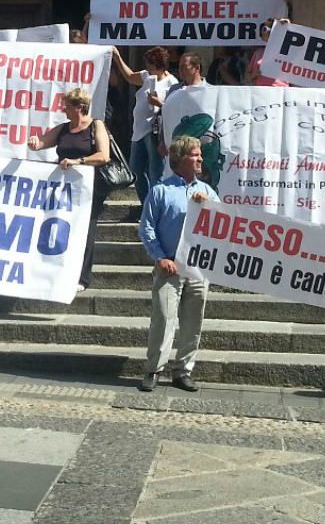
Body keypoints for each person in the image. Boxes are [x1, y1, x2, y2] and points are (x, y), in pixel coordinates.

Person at [138, 136, 219, 392]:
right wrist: (160, 257)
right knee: (163, 319)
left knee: (193, 323)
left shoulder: (208, 191)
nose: (200, 159)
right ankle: (154, 369)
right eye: (195, 155)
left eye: (200, 154)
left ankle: (183, 371)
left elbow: (222, 226)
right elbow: (146, 228)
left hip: (197, 267)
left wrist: (208, 207)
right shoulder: (160, 191)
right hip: (169, 266)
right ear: (181, 158)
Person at [27, 88, 110, 292]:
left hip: (89, 189)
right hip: (64, 190)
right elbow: (42, 143)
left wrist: (79, 161)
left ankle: (83, 277)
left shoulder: (96, 126)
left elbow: (103, 156)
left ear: (80, 107)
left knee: (86, 230)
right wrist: (35, 143)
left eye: (67, 106)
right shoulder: (63, 129)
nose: (64, 110)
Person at [111, 46, 178, 202]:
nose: (148, 69)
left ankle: (155, 205)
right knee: (135, 169)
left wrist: (159, 103)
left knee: (155, 171)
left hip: (154, 130)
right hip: (139, 129)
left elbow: (173, 108)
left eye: (151, 66)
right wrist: (118, 58)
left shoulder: (171, 83)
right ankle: (145, 202)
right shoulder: (147, 76)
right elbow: (129, 76)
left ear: (160, 66)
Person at [245, 19, 289, 86]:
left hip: (281, 90)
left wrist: (287, 25)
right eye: (263, 28)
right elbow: (247, 76)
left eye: (265, 29)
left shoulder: (286, 52)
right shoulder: (258, 53)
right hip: (261, 90)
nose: (262, 31)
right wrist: (253, 75)